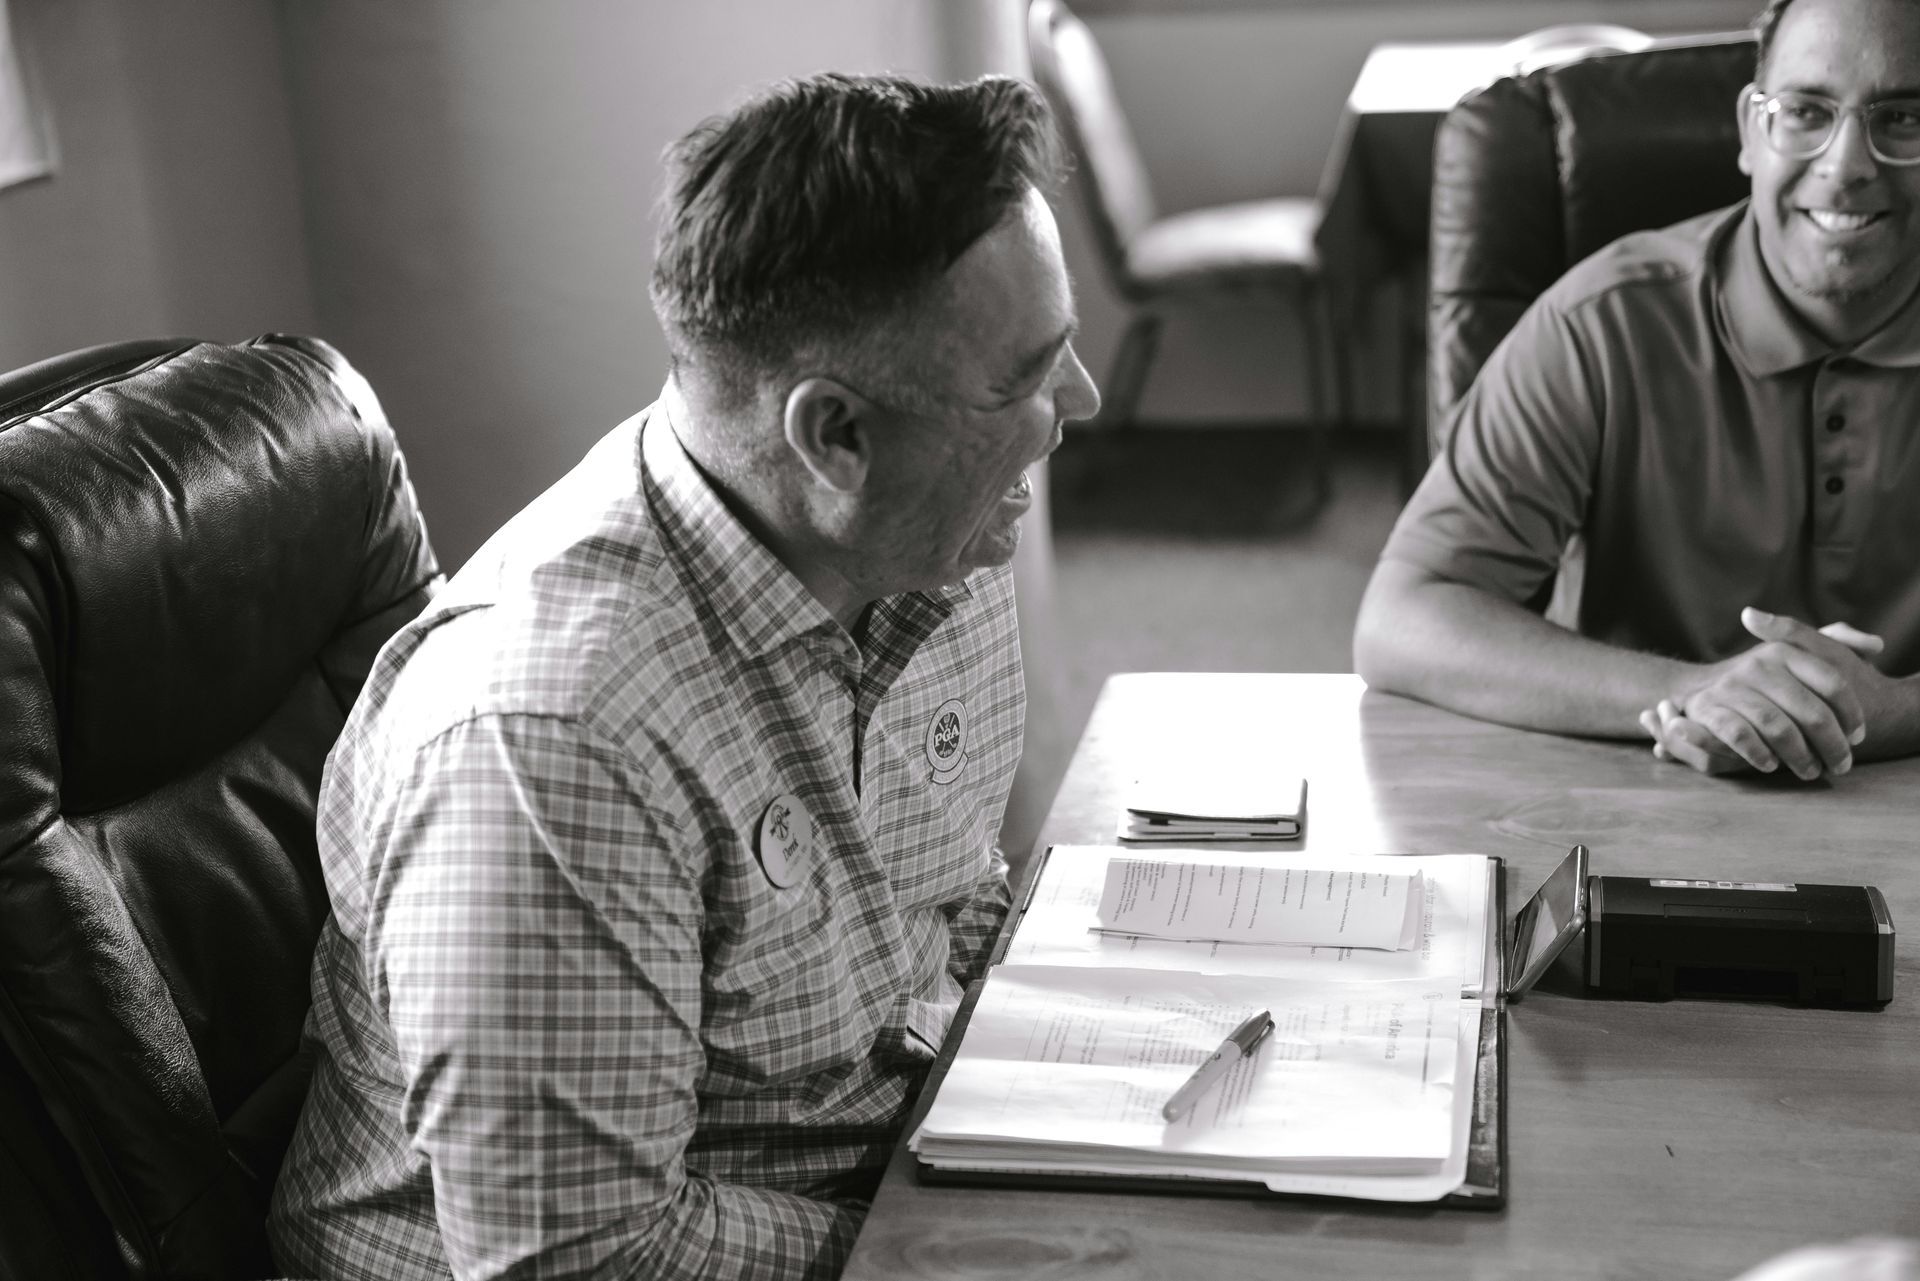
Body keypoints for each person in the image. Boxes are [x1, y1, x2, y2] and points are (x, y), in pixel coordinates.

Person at [268, 72, 1098, 1281]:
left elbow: (945, 910)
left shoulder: (931, 541)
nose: (1075, 405)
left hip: (855, 1177)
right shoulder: (551, 734)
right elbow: (579, 1256)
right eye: (1024, 378)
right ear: (837, 439)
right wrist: (967, 1248)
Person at [1354, 0, 1920, 780]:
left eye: (1905, 119)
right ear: (1752, 132)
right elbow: (1404, 617)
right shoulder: (1599, 323)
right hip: (1635, 802)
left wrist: (1889, 712)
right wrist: (1695, 690)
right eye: (1805, 111)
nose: (1848, 163)